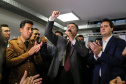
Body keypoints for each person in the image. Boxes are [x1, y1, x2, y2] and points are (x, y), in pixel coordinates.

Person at [44, 11, 89, 84]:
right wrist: (52, 18)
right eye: (68, 27)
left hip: (72, 72)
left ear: (76, 32)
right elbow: (47, 33)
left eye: (72, 27)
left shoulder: (80, 42)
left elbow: (84, 53)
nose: (70, 28)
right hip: (58, 70)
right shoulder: (60, 39)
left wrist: (73, 39)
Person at [88, 18, 126, 84]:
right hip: (96, 79)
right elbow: (90, 61)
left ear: (112, 29)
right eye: (101, 27)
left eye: (106, 26)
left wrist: (100, 53)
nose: (102, 28)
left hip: (112, 79)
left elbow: (119, 61)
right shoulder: (97, 44)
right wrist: (95, 55)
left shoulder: (120, 42)